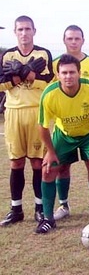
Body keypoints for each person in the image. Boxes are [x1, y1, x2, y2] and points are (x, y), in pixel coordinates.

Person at [36, 54, 89, 233]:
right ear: (57, 75)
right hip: (64, 135)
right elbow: (42, 127)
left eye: (72, 72)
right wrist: (50, 152)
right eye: (64, 73)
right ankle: (48, 218)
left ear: (79, 73)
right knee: (48, 170)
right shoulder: (49, 94)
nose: (68, 76)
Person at [0, 15, 54, 227]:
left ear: (34, 31)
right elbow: (1, 84)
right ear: (15, 32)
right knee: (16, 162)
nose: (24, 33)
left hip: (35, 112)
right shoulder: (7, 55)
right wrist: (14, 80)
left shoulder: (43, 54)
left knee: (37, 162)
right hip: (13, 112)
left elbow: (49, 82)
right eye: (20, 29)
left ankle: (40, 208)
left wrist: (32, 76)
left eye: (28, 29)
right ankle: (16, 209)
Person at [51, 25, 89, 222]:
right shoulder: (56, 63)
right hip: (64, 128)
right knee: (62, 167)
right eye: (70, 38)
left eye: (77, 38)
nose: (73, 42)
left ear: (83, 40)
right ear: (64, 40)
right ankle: (63, 204)